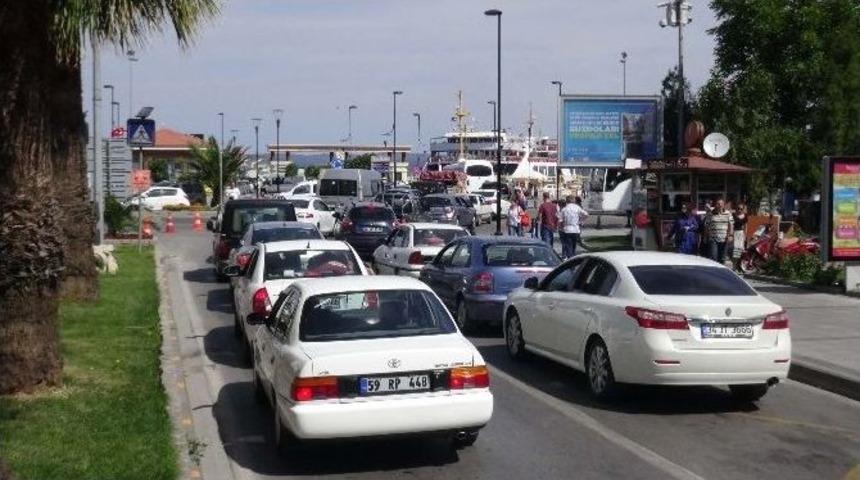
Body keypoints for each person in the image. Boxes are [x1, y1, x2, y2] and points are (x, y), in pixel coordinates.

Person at [704, 198, 734, 264]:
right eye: (718, 204)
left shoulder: (728, 213)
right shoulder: (711, 214)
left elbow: (731, 225)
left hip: (724, 239)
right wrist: (705, 237)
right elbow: (706, 225)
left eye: (721, 204)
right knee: (714, 257)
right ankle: (714, 272)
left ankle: (720, 272)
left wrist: (731, 235)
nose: (720, 205)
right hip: (713, 239)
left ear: (723, 205)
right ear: (715, 205)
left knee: (722, 258)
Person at [732, 203, 748, 270]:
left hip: (741, 234)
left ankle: (739, 266)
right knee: (735, 250)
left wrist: (745, 237)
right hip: (734, 233)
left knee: (740, 251)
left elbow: (745, 227)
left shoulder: (745, 216)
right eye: (738, 208)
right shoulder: (733, 215)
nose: (739, 210)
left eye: (741, 209)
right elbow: (731, 225)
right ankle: (734, 266)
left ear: (743, 209)